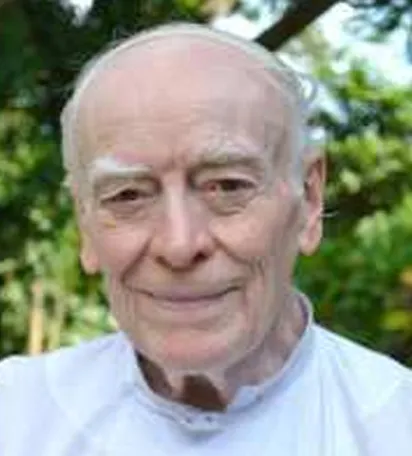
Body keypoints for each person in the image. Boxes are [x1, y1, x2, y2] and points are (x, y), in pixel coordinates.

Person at [0, 23, 411, 456]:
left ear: (308, 199)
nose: (179, 245)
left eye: (227, 186)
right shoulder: (17, 417)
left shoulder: (395, 426)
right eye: (129, 195)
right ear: (84, 221)